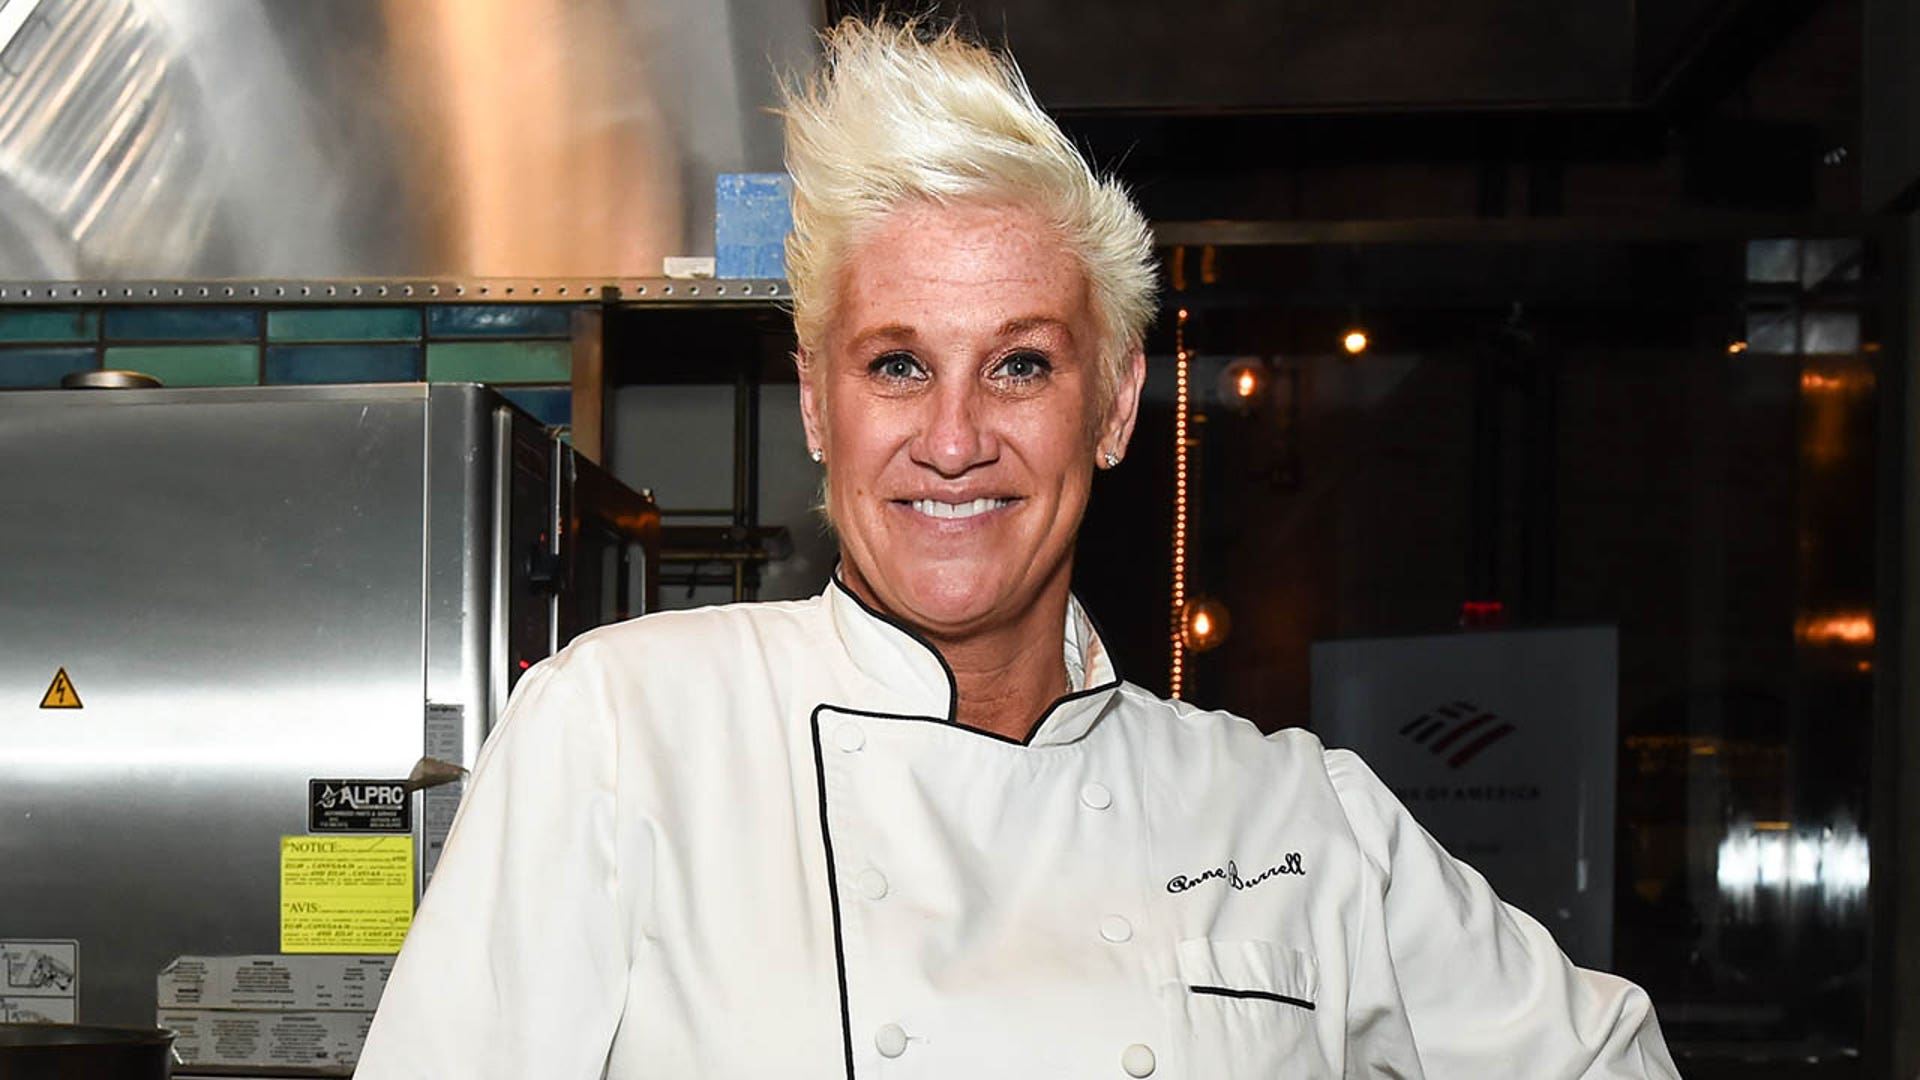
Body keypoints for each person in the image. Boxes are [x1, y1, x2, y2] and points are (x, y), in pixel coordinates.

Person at [355, 17, 1679, 1079]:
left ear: (1110, 407)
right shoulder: (624, 733)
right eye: (897, 365)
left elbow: (1601, 1055)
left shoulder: (1290, 814)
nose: (952, 438)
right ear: (820, 404)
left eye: (1020, 365)